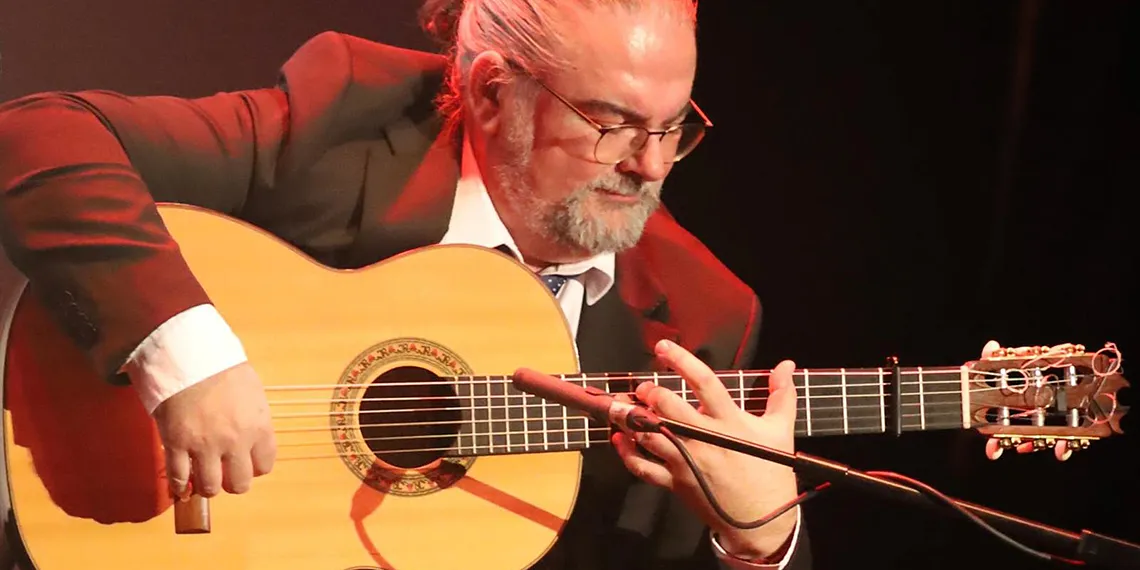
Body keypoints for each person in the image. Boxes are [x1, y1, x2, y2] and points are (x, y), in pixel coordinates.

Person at [0, 0, 808, 568]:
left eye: (673, 126)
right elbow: (37, 135)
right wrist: (187, 358)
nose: (653, 164)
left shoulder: (702, 314)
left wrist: (758, 539)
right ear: (496, 94)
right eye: (612, 124)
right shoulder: (343, 120)